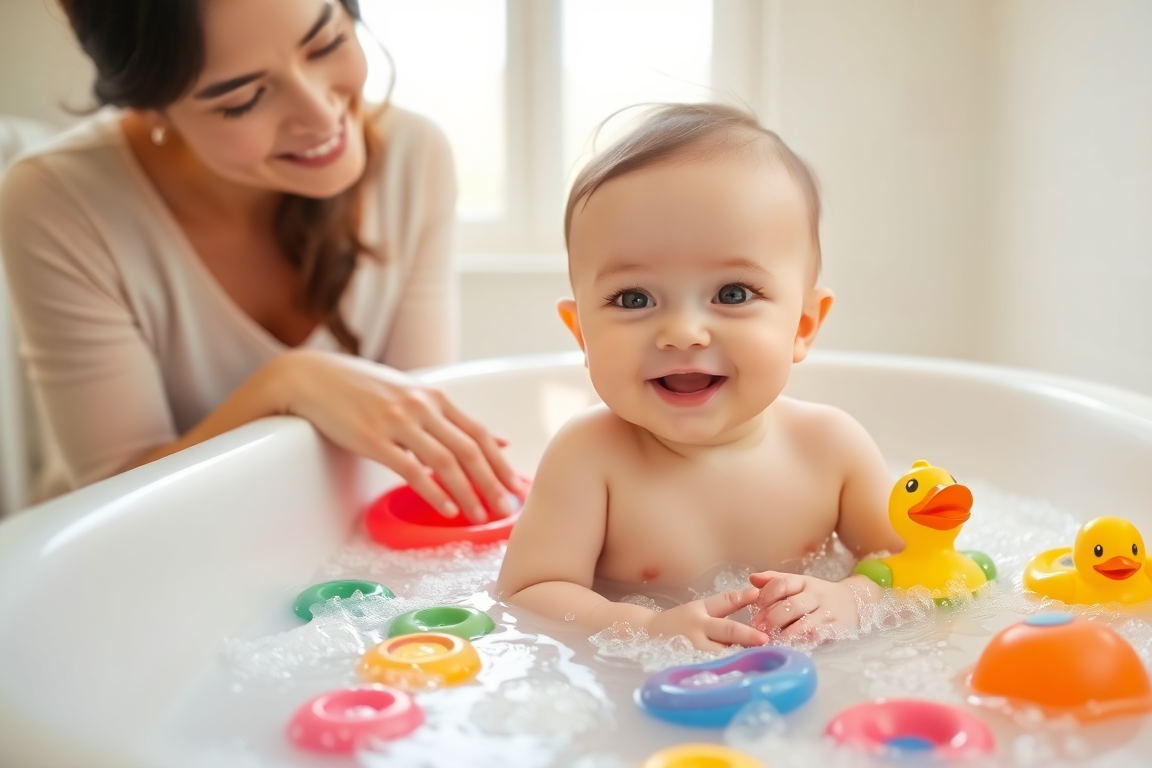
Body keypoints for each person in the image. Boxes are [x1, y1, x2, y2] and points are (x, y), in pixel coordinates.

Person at [0, 0, 520, 520]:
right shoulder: (55, 201)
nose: (321, 115)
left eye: (326, 43)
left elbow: (419, 438)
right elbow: (114, 502)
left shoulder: (414, 155)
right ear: (150, 108)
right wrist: (289, 383)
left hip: (333, 537)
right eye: (244, 99)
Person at [496, 103, 905, 650]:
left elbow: (919, 566)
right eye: (634, 298)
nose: (682, 333)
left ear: (803, 325)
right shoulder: (588, 458)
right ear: (582, 334)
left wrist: (856, 597)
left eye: (732, 293)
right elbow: (527, 593)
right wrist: (646, 628)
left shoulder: (832, 449)